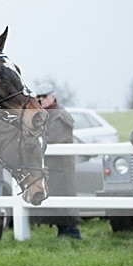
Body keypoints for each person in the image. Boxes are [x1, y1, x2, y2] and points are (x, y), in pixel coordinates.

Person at [35, 83, 82, 239]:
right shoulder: (46, 114)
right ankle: (63, 232)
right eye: (38, 97)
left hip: (61, 167)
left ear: (52, 97)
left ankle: (73, 234)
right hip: (53, 167)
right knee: (56, 199)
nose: (41, 100)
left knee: (65, 198)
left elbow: (54, 139)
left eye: (44, 96)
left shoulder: (59, 115)